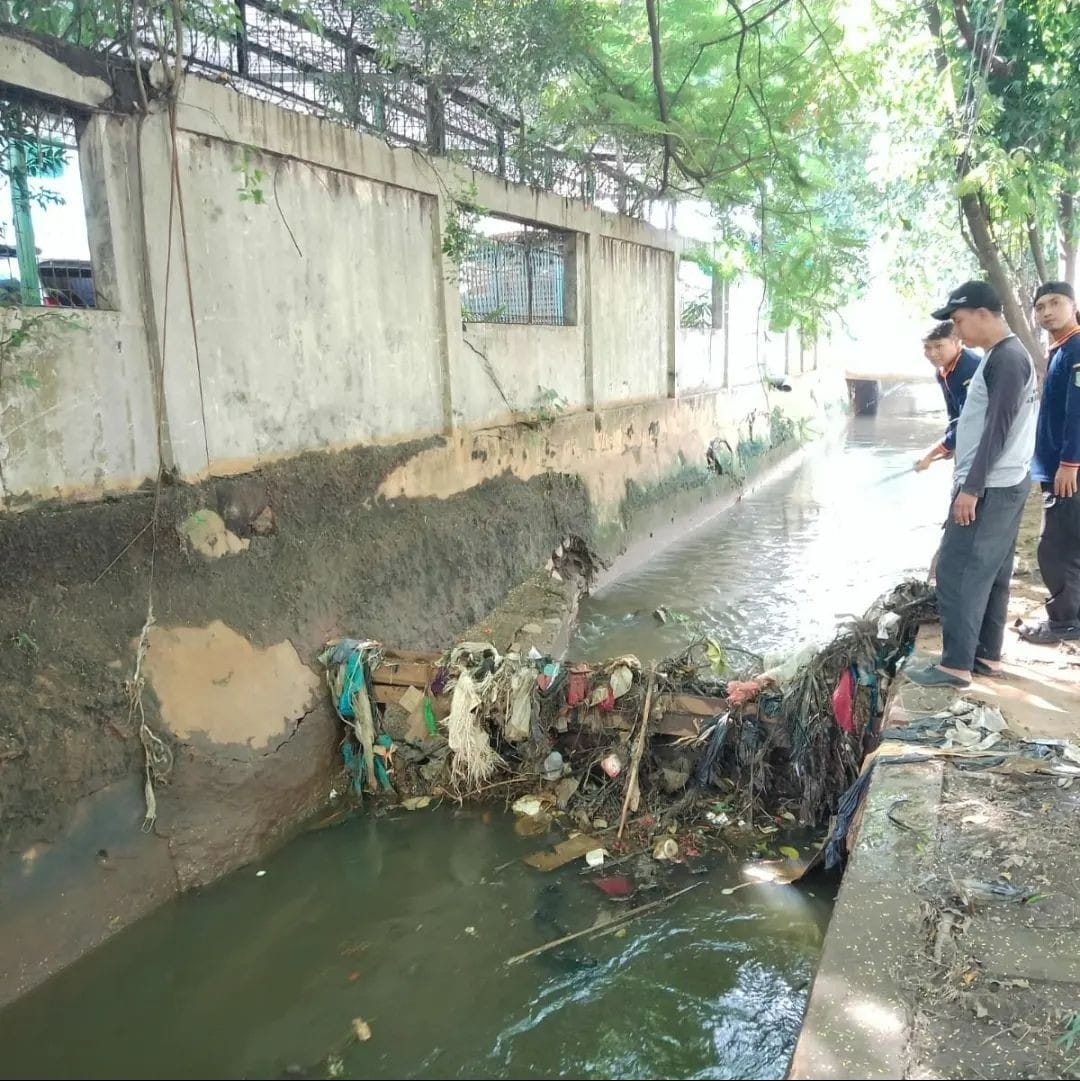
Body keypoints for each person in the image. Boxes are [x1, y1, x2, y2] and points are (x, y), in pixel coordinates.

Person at [906, 280, 1038, 687]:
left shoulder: (1008, 359)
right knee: (993, 571)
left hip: (992, 485)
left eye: (960, 321)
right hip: (1005, 482)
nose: (957, 330)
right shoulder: (1002, 356)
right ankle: (985, 656)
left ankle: (955, 665)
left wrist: (971, 487)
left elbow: (997, 429)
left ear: (983, 313)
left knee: (957, 569)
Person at [1020, 281, 1080, 644]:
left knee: (1054, 546)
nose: (1046, 312)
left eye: (1054, 303)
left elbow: (1078, 410)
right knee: (1070, 540)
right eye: (1040, 306)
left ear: (1073, 305)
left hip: (1067, 469)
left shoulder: (1075, 348)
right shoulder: (1061, 349)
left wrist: (1070, 462)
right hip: (1058, 464)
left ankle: (1064, 622)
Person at [914, 321, 982, 473]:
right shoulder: (942, 372)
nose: (931, 353)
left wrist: (933, 453)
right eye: (927, 347)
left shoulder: (970, 369)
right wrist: (948, 445)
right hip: (969, 443)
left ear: (956, 341)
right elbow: (954, 414)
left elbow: (971, 422)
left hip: (986, 446)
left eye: (938, 346)